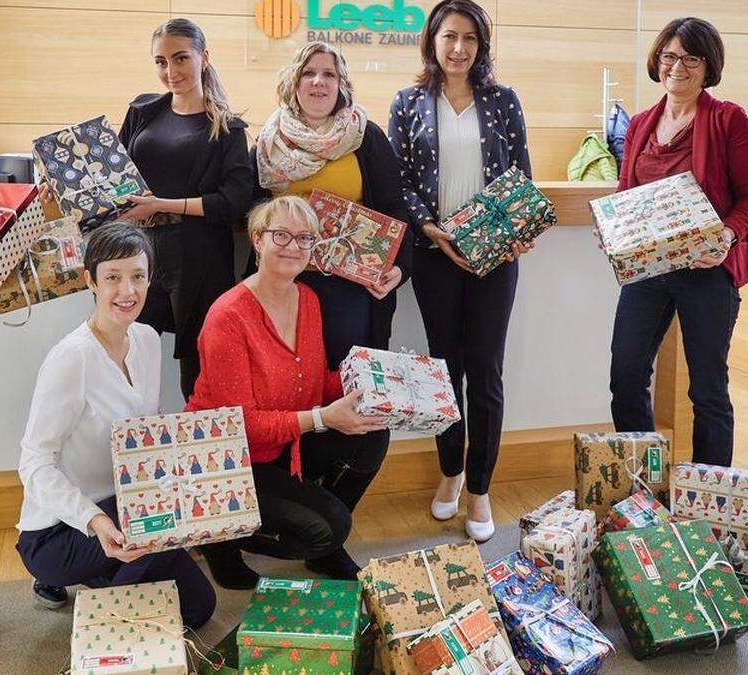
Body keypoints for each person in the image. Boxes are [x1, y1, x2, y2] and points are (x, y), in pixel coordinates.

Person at [249, 41, 412, 545]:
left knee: (351, 400)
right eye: (308, 74)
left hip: (348, 297)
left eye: (329, 75)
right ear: (293, 82)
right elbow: (251, 218)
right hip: (283, 293)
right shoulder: (267, 143)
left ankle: (330, 517)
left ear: (342, 85)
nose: (318, 83)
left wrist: (397, 271)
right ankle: (294, 509)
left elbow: (397, 215)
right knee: (286, 393)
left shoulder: (366, 138)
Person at [15, 222, 216, 629]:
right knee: (163, 531)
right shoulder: (71, 358)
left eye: (138, 277)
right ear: (90, 280)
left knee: (199, 607)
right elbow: (34, 463)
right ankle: (108, 612)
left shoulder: (146, 340)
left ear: (150, 279)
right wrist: (96, 520)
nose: (127, 291)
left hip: (131, 508)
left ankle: (110, 577)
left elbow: (147, 435)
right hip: (62, 532)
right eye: (112, 278)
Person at [187, 196, 386, 589]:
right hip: (230, 460)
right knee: (328, 529)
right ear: (257, 240)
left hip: (284, 444)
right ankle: (216, 536)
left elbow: (309, 384)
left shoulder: (307, 299)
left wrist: (372, 379)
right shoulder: (228, 317)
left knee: (373, 433)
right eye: (281, 235)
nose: (294, 246)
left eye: (304, 238)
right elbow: (239, 425)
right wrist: (323, 418)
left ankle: (321, 547)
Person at [388, 0, 533, 542]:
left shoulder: (502, 100)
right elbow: (398, 181)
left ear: (481, 45)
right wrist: (428, 228)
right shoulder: (407, 103)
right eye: (450, 36)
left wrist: (508, 232)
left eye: (470, 38)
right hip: (434, 253)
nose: (459, 48)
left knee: (486, 375)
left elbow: (521, 174)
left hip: (494, 254)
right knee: (445, 373)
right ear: (432, 42)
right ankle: (450, 472)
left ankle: (480, 487)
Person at [609, 17, 748, 467]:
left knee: (708, 391)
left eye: (690, 58)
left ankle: (708, 498)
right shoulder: (640, 124)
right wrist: (616, 233)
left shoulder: (728, 120)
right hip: (648, 272)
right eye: (670, 56)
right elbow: (626, 195)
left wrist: (726, 234)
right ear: (658, 61)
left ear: (707, 66)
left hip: (708, 271)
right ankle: (644, 489)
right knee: (626, 377)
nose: (677, 67)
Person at [118, 18, 254, 400]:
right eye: (160, 62)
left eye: (180, 58)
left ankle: (201, 456)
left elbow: (235, 201)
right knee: (124, 358)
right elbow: (114, 179)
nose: (170, 71)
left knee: (199, 369)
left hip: (199, 259)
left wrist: (162, 205)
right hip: (137, 253)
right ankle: (130, 454)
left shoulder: (227, 128)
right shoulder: (141, 112)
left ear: (204, 57)